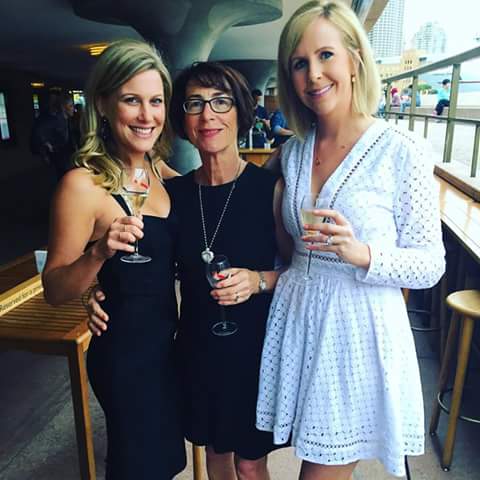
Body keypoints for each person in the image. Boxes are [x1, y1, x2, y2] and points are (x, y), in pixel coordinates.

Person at [255, 2, 446, 480]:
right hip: (299, 325)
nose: (314, 74)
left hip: (356, 336)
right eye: (299, 63)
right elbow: (252, 211)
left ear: (355, 61)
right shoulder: (293, 153)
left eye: (326, 55)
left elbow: (430, 264)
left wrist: (361, 254)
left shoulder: (401, 150)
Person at [87, 61, 292, 479]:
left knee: (250, 464)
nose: (208, 115)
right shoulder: (172, 194)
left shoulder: (270, 190)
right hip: (197, 347)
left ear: (241, 112)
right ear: (182, 120)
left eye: (221, 102)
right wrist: (93, 289)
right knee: (215, 456)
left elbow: (304, 273)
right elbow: (138, 256)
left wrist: (259, 280)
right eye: (195, 104)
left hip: (256, 349)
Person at [41, 39, 186, 479]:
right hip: (125, 354)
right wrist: (99, 254)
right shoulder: (82, 185)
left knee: (165, 464)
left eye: (155, 101)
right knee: (136, 467)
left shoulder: (163, 174)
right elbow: (54, 288)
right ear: (103, 104)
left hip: (168, 348)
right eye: (131, 100)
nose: (147, 115)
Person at [31, 92, 77, 180]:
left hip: (67, 159)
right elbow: (39, 132)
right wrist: (47, 145)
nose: (73, 109)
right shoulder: (56, 121)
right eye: (71, 106)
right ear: (64, 107)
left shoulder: (67, 120)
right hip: (61, 160)